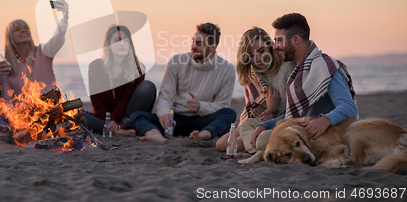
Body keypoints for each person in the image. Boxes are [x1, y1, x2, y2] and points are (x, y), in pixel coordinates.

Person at [250, 13, 358, 151]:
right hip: (306, 131)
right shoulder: (298, 73)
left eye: (279, 40)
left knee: (264, 141)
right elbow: (294, 115)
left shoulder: (324, 67)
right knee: (263, 135)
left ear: (295, 39)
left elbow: (349, 107)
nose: (275, 47)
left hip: (330, 134)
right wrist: (265, 125)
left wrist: (324, 121)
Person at [130, 22, 236, 142]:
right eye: (193, 41)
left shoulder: (227, 69)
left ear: (212, 48)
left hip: (204, 120)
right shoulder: (176, 62)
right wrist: (164, 113)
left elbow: (222, 105)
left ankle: (203, 136)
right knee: (137, 116)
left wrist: (200, 106)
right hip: (175, 120)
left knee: (229, 114)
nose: (193, 46)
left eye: (199, 44)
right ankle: (156, 135)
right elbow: (165, 95)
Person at [215, 27, 295, 155]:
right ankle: (252, 145)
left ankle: (252, 151)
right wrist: (266, 113)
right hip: (258, 118)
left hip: (280, 121)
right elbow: (252, 107)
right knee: (221, 144)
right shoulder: (252, 73)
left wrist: (271, 112)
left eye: (261, 51)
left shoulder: (286, 68)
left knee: (242, 143)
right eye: (251, 55)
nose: (258, 58)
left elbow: (296, 109)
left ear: (270, 46)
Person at [83, 24, 156, 137]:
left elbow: (126, 99)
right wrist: (109, 121)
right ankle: (115, 131)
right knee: (78, 115)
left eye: (126, 41)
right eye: (117, 40)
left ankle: (119, 128)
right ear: (108, 45)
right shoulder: (95, 67)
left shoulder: (137, 68)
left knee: (148, 87)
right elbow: (96, 101)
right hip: (104, 118)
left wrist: (116, 120)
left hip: (126, 118)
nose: (122, 44)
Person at [0, 0, 69, 100]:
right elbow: (7, 99)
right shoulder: (7, 66)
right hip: (27, 113)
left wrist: (64, 19)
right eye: (17, 29)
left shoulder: (42, 52)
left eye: (26, 27)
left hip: (52, 108)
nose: (24, 30)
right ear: (10, 38)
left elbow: (57, 39)